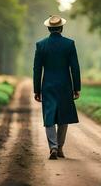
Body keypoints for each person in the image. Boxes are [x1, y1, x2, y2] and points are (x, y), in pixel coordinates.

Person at [33, 15, 81, 160]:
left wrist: (37, 90)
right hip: (65, 86)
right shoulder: (69, 44)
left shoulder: (41, 45)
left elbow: (37, 69)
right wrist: (76, 87)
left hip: (47, 86)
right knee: (63, 117)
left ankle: (52, 147)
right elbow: (75, 68)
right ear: (61, 28)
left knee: (49, 117)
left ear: (49, 28)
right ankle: (60, 147)